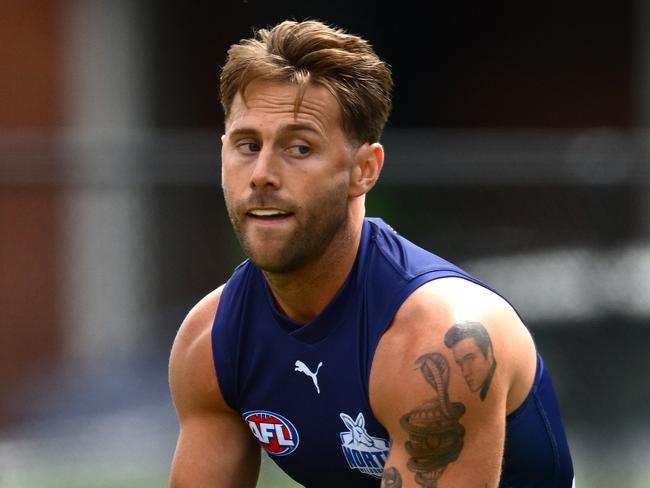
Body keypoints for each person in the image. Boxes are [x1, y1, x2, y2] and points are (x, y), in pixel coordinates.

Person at [168, 19, 574, 487]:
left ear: (364, 170)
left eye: (299, 148)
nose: (262, 174)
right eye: (247, 145)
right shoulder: (212, 341)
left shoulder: (440, 343)